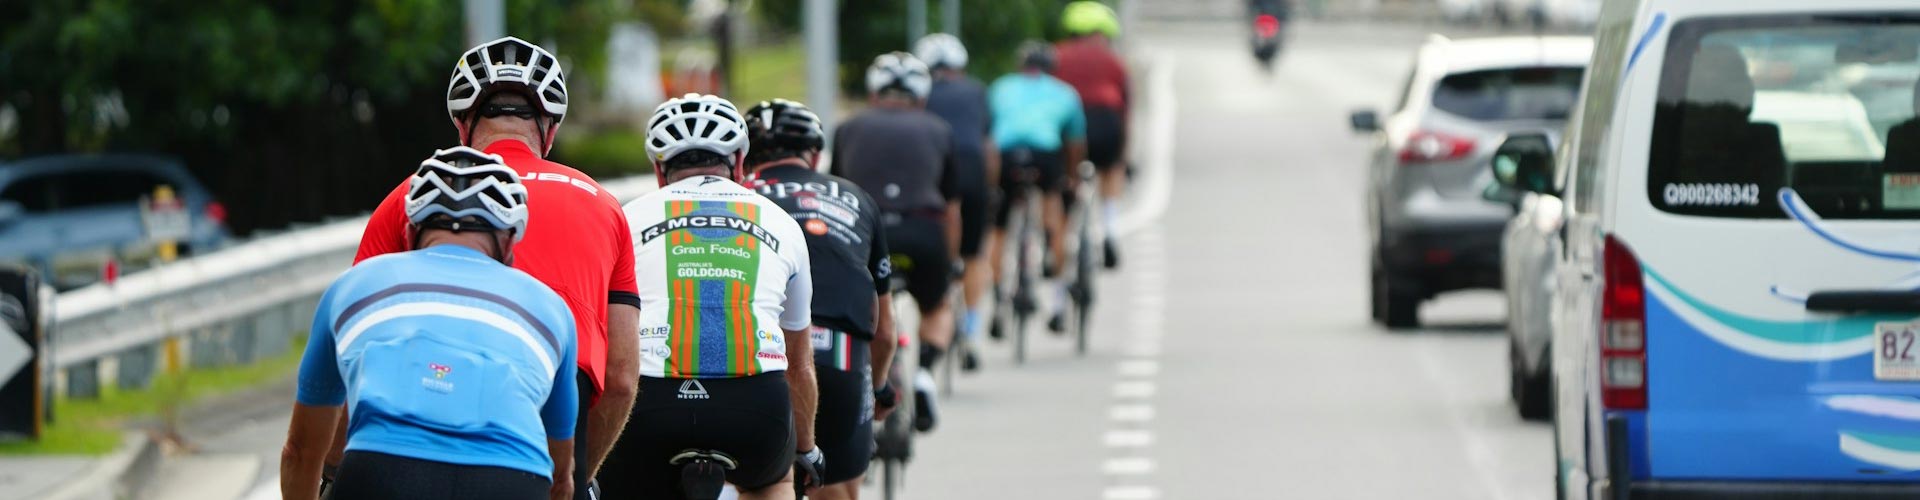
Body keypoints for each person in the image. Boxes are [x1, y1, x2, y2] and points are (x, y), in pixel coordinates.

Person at [346, 36, 640, 500]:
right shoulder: (604, 205)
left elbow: (357, 341)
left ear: (463, 125)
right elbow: (622, 378)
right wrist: (581, 475)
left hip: (428, 393)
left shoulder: (411, 196)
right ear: (549, 129)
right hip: (555, 401)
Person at [282, 147, 577, 500]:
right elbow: (561, 476)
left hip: (383, 469)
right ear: (509, 241)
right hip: (511, 477)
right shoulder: (551, 308)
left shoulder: (353, 284)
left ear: (409, 231)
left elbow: (300, 451)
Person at [600, 93, 816, 500]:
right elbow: (800, 363)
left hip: (652, 402)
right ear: (738, 164)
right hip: (755, 406)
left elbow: (608, 336)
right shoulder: (783, 222)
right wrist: (806, 449)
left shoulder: (626, 216)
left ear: (659, 170)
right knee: (777, 482)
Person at [742, 99, 900, 500]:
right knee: (837, 484)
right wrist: (879, 387)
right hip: (842, 357)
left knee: (752, 480)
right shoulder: (856, 198)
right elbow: (884, 328)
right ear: (815, 153)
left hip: (758, 360)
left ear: (743, 158)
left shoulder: (738, 198)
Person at [831, 52, 959, 432]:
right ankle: (923, 375)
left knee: (856, 310)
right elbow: (952, 208)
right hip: (922, 231)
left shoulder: (848, 128)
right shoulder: (939, 129)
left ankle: (863, 380)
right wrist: (950, 261)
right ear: (922, 97)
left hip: (865, 234)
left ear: (873, 93)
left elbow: (837, 193)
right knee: (937, 305)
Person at [986, 41, 1087, 334]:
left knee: (999, 229)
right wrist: (1071, 177)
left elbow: (989, 132)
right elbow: (1075, 142)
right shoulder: (1064, 92)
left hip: (1007, 155)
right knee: (1053, 211)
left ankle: (997, 301)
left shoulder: (1001, 87)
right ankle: (1057, 303)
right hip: (1045, 155)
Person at [914, 33, 997, 363]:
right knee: (975, 253)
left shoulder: (922, 94)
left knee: (937, 249)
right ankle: (973, 331)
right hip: (974, 167)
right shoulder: (977, 90)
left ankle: (937, 311)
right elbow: (988, 144)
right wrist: (991, 189)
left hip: (935, 171)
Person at [1057, 1, 1132, 270]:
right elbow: (1125, 109)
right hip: (1106, 121)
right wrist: (1124, 154)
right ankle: (1110, 229)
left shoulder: (1058, 55)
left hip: (1070, 128)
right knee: (1111, 169)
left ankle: (1056, 243)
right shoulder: (1114, 61)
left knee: (1062, 182)